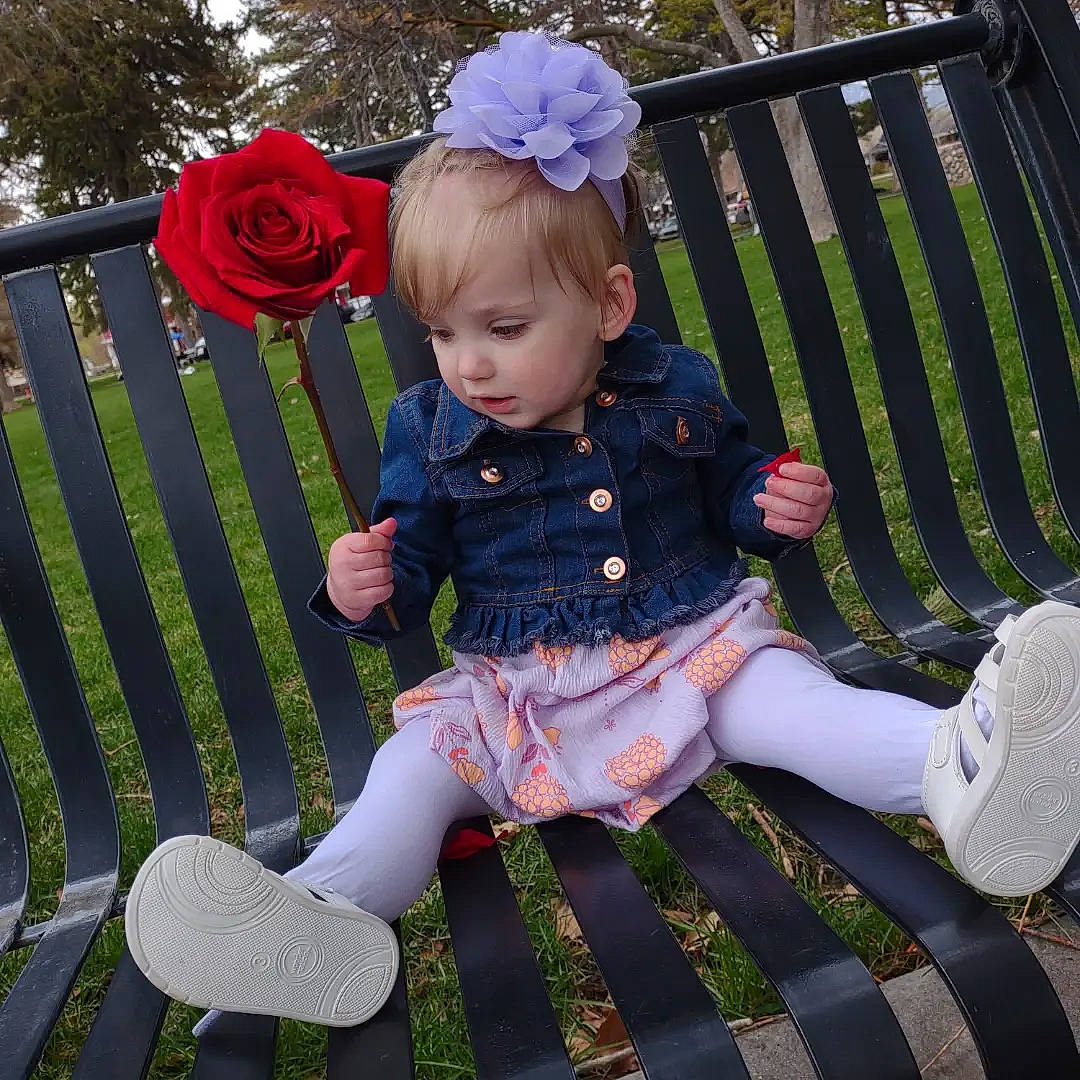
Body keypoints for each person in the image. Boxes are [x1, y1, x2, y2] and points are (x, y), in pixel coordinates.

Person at [125, 30, 1080, 1035]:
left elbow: (730, 487)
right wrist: (367, 584)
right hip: (517, 697)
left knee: (792, 707)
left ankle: (963, 773)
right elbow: (412, 567)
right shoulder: (430, 432)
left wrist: (770, 502)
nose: (469, 365)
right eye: (443, 332)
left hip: (690, 654)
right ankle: (316, 920)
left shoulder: (673, 386)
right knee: (408, 777)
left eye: (503, 329)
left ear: (609, 304)